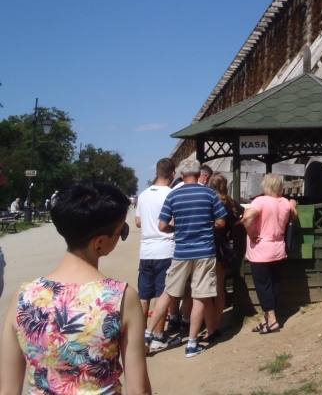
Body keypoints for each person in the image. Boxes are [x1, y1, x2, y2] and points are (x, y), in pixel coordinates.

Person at [0, 181, 151, 395]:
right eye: (121, 232)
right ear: (99, 242)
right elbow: (139, 390)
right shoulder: (121, 298)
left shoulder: (23, 297)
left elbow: (7, 390)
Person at [145, 158, 226, 358]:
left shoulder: (174, 195)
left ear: (181, 175)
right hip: (205, 251)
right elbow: (221, 222)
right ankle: (191, 343)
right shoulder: (209, 193)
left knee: (169, 292)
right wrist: (206, 227)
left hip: (181, 251)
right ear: (199, 175)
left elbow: (162, 226)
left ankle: (148, 334)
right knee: (200, 295)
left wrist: (178, 228)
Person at [242, 173, 297, 334]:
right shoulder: (286, 203)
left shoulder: (260, 201)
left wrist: (251, 233)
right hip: (279, 249)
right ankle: (266, 318)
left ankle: (272, 320)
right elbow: (294, 216)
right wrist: (293, 203)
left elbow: (246, 218)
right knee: (274, 285)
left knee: (263, 286)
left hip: (261, 251)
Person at [136, 158, 180, 351]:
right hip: (165, 248)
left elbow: (138, 222)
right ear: (173, 174)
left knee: (144, 296)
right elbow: (175, 220)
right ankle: (158, 336)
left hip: (146, 250)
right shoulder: (171, 194)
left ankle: (141, 334)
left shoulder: (143, 195)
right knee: (163, 294)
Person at [207, 173, 244, 341]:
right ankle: (216, 326)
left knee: (205, 290)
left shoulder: (207, 201)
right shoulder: (231, 203)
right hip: (223, 248)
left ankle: (207, 327)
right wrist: (231, 226)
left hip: (206, 246)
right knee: (220, 288)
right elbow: (245, 216)